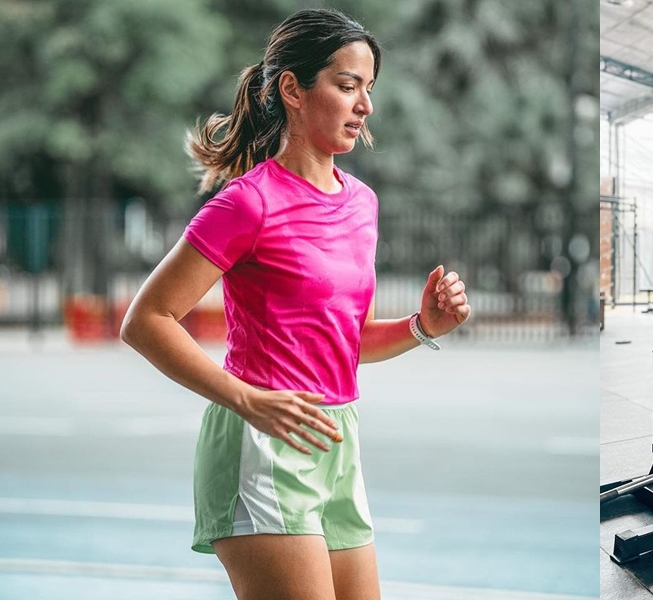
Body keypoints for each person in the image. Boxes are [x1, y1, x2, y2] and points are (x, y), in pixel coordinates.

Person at [120, 9, 470, 600]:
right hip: (259, 443)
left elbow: (346, 342)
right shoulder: (246, 203)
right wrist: (248, 400)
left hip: (337, 442)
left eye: (369, 89)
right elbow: (146, 321)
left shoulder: (362, 203)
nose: (366, 105)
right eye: (348, 85)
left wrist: (420, 326)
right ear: (293, 89)